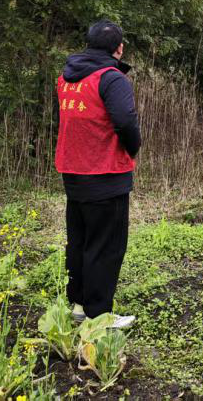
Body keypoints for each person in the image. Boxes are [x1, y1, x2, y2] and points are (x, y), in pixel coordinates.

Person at [56, 20, 141, 329]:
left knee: (80, 240)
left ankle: (79, 306)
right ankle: (99, 316)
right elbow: (126, 122)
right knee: (106, 247)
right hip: (105, 174)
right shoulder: (111, 78)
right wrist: (133, 150)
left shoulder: (65, 79)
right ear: (118, 48)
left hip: (73, 172)